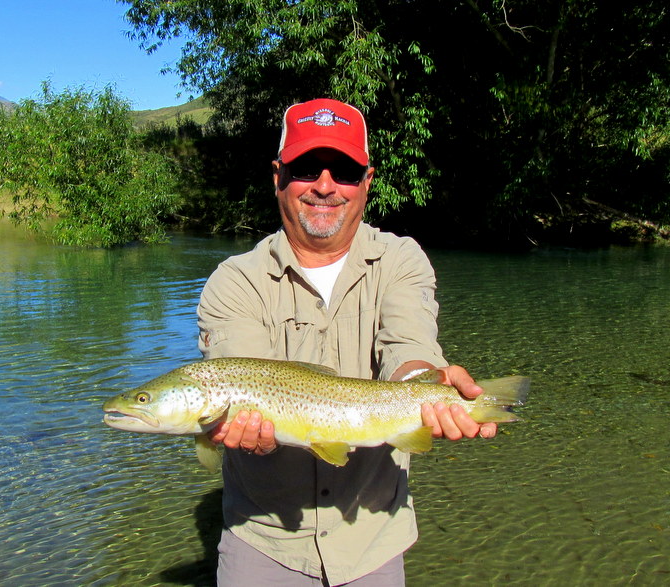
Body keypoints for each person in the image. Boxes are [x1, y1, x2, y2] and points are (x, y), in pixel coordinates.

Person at [197, 98, 498, 586]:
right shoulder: (233, 281)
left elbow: (408, 343)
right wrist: (233, 429)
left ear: (367, 181)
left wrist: (427, 383)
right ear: (278, 175)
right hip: (265, 540)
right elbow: (240, 374)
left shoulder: (402, 259)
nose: (324, 185)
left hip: (371, 539)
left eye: (344, 170)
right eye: (304, 168)